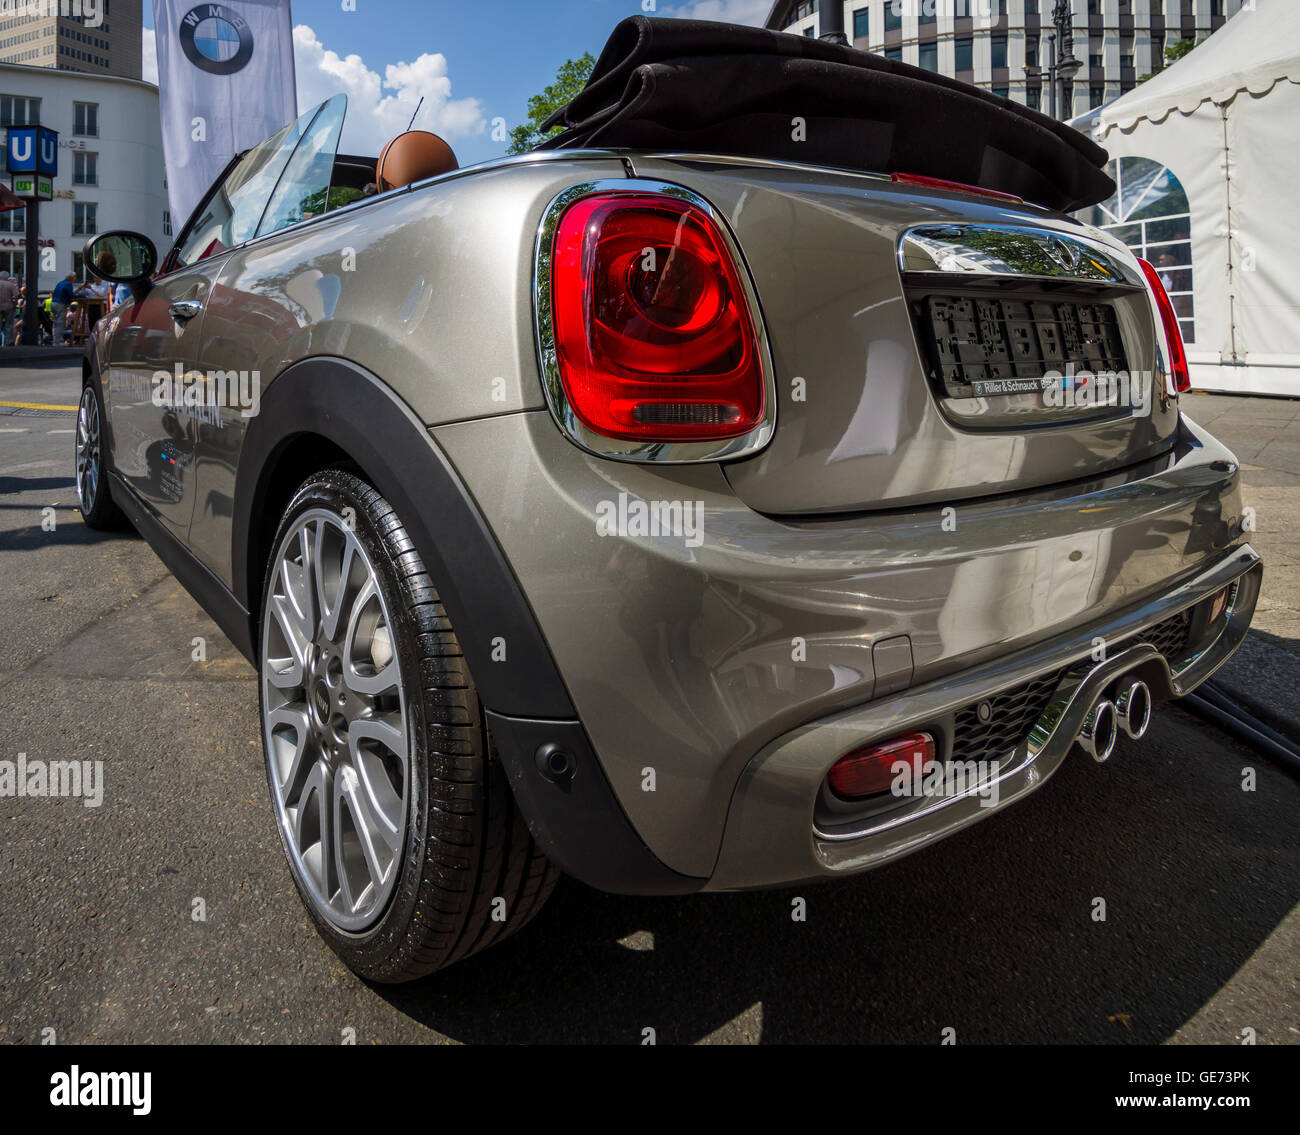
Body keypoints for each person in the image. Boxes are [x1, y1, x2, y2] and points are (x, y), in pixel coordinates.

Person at [50, 272, 77, 344]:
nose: (75, 278)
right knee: (60, 323)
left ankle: (55, 341)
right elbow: (71, 296)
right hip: (60, 304)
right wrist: (80, 296)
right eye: (75, 277)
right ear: (71, 277)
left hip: (53, 303)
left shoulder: (60, 283)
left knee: (55, 323)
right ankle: (59, 341)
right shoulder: (68, 284)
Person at [0, 269, 17, 345]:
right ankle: (8, 342)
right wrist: (14, 304)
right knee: (9, 325)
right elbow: (15, 296)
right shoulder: (11, 285)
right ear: (8, 277)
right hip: (9, 306)